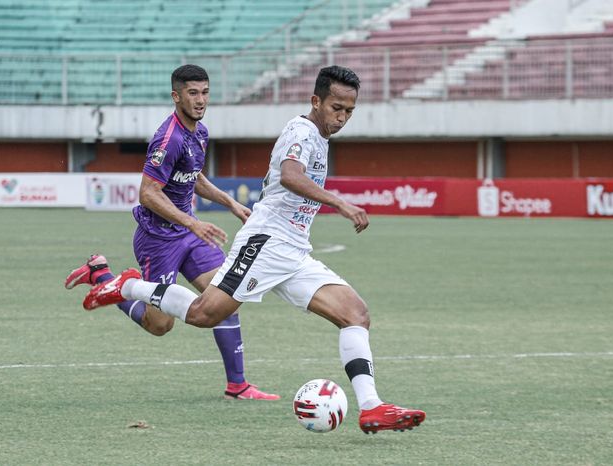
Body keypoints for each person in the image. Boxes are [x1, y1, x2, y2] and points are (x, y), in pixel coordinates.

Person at [82, 65, 426, 434]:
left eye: (348, 111)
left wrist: (229, 203)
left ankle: (371, 407)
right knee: (201, 315)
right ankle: (127, 287)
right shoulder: (301, 131)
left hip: (293, 250)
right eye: (336, 108)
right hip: (266, 243)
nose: (341, 117)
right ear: (316, 101)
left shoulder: (318, 137)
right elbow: (291, 176)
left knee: (355, 314)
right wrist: (340, 204)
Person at [66, 64, 278, 400]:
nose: (200, 100)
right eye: (193, 93)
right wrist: (192, 221)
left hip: (189, 235)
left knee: (224, 299)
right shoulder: (169, 138)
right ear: (176, 96)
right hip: (158, 240)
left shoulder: (200, 132)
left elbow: (194, 176)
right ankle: (106, 279)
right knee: (160, 325)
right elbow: (147, 192)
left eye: (205, 92)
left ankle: (237, 385)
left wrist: (230, 204)